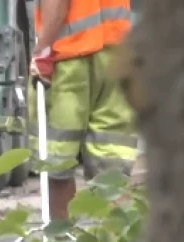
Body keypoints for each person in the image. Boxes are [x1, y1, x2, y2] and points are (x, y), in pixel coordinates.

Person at [28, 0, 138, 219]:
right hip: (116, 53)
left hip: (70, 58)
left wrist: (43, 50)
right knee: (112, 165)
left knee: (56, 159)